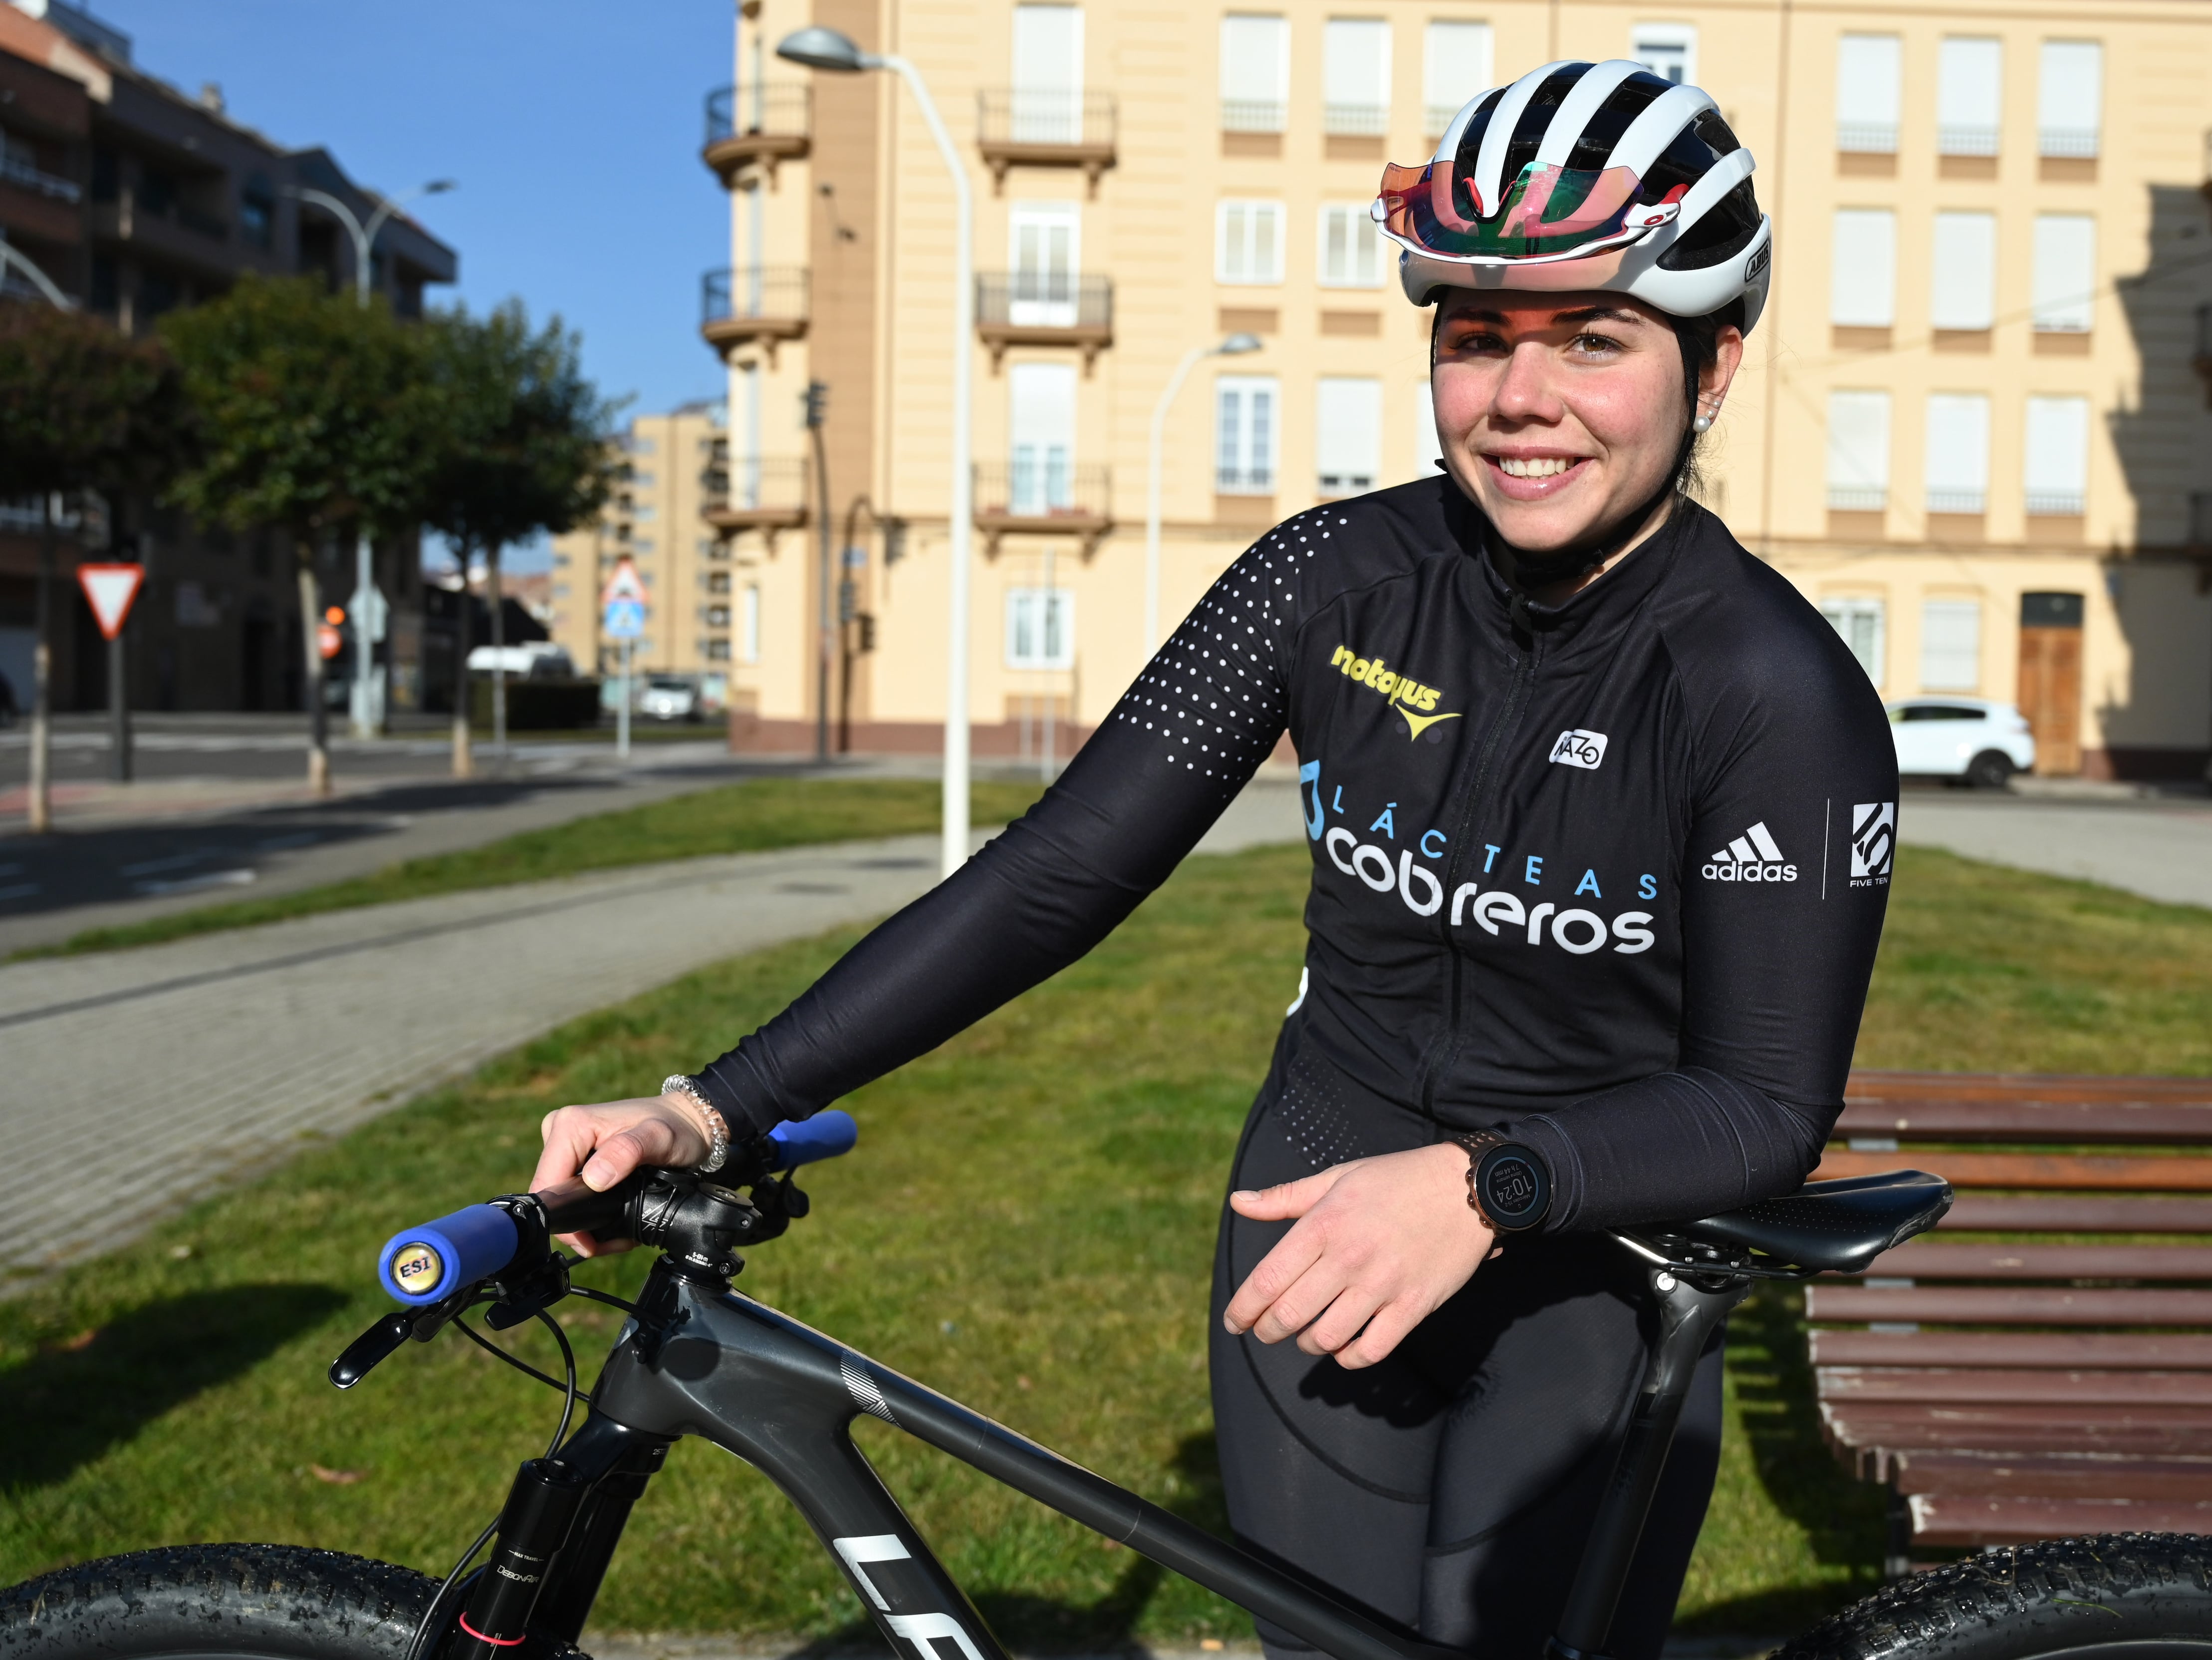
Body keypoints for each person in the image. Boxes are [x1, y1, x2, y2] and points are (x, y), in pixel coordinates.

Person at [532, 61, 1896, 1660]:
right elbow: (1056, 877)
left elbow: (1761, 1108)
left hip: (1597, 1270)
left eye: (1593, 339)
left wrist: (1486, 1186)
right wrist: (706, 1107)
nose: (1522, 401)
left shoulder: (1772, 692)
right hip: (1314, 1216)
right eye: (1475, 338)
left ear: (1713, 365)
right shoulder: (1330, 574)